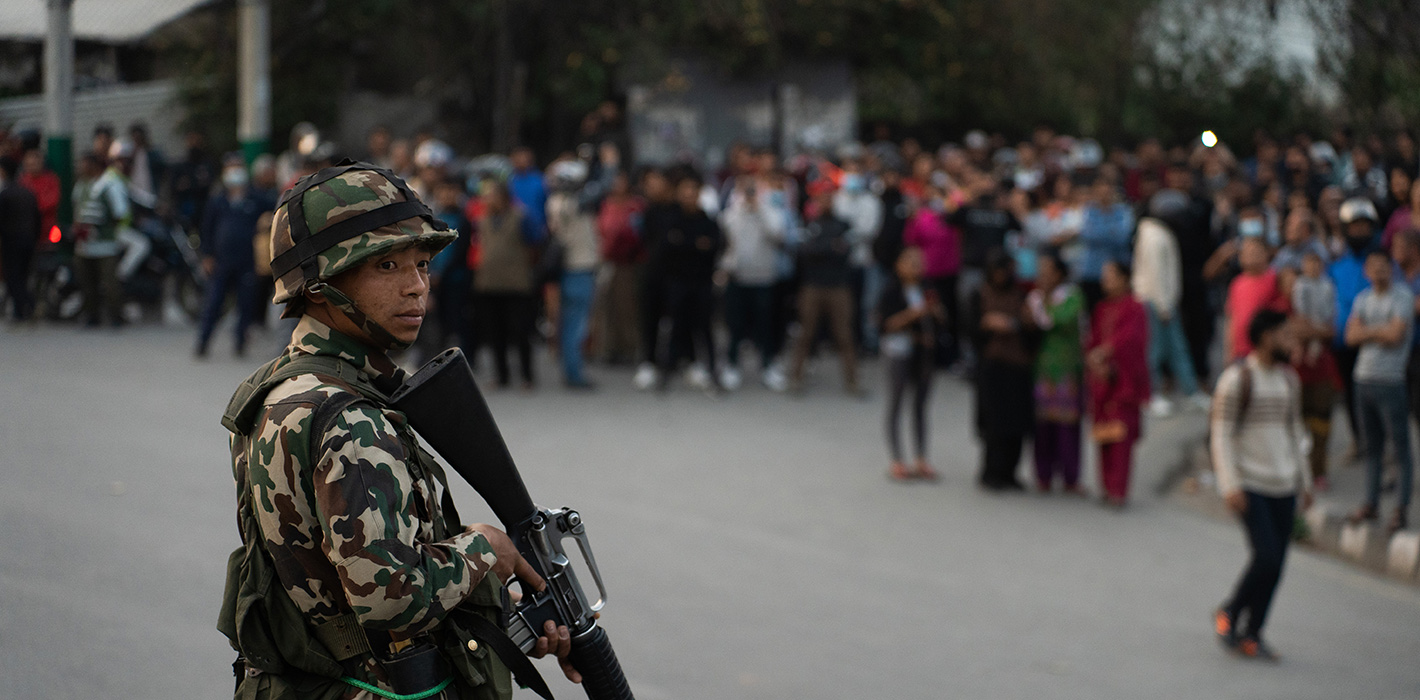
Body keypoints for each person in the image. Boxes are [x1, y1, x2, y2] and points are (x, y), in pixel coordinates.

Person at [221, 161, 578, 699]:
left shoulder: (281, 388)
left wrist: (501, 614)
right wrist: (487, 550)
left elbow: (332, 591)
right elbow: (390, 597)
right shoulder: (349, 417)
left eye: (422, 265)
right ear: (320, 285)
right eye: (386, 266)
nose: (416, 288)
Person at [1210, 309, 1313, 661]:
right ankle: (1230, 611)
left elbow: (1295, 430)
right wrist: (1230, 485)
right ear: (1266, 337)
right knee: (1266, 557)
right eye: (1285, 336)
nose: (1291, 343)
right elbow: (1221, 434)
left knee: (1278, 564)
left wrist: (1305, 480)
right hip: (1251, 484)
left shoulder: (1288, 380)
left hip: (1284, 484)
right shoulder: (1237, 380)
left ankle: (1253, 633)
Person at [1345, 248, 1415, 533]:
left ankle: (1400, 509)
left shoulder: (1404, 298)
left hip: (1391, 381)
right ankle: (1371, 503)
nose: (1378, 271)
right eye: (1373, 266)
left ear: (1392, 269)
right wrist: (1379, 331)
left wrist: (1367, 331)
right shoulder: (1363, 299)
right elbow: (1350, 336)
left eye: (1384, 266)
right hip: (1363, 380)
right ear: (1367, 271)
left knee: (1401, 450)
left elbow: (1396, 335)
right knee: (1372, 447)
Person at [196, 157, 275, 357]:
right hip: (222, 261)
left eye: (238, 169)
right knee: (213, 302)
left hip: (247, 261)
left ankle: (240, 342)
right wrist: (207, 255)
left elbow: (275, 211)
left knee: (246, 304)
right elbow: (207, 229)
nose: (234, 174)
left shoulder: (256, 199)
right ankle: (203, 342)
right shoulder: (218, 200)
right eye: (230, 169)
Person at [1087, 260, 1150, 507]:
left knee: (1121, 436)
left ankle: (1118, 489)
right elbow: (1092, 338)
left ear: (1125, 278)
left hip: (1123, 381)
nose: (1106, 280)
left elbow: (1132, 340)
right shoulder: (1102, 308)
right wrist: (1094, 359)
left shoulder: (1135, 308)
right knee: (1104, 433)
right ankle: (1105, 485)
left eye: (1111, 275)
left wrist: (1106, 352)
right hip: (1102, 379)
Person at [879, 247, 944, 481]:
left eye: (919, 263)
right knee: (896, 403)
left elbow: (941, 319)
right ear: (899, 265)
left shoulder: (927, 289)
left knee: (920, 406)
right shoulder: (891, 291)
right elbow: (885, 325)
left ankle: (920, 457)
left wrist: (935, 313)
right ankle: (897, 459)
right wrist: (913, 315)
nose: (916, 267)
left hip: (922, 354)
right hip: (898, 351)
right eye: (910, 262)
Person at [972, 250, 1035, 491]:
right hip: (992, 367)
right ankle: (991, 471)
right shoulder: (980, 294)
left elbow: (1031, 328)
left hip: (1017, 366)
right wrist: (987, 325)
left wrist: (1015, 324)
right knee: (993, 424)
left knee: (1016, 424)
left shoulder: (1021, 297)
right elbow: (973, 330)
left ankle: (1010, 472)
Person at [1133, 214, 1208, 417]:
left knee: (1176, 349)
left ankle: (1190, 391)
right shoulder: (1156, 237)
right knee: (1155, 350)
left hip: (1161, 302)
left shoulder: (1152, 233)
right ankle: (1151, 394)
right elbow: (1157, 274)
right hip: (1158, 302)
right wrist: (1163, 306)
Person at [789, 179, 859, 395]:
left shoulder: (843, 224)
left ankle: (852, 382)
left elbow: (845, 253)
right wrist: (829, 248)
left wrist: (822, 248)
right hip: (812, 286)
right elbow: (805, 252)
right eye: (822, 197)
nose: (826, 201)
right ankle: (795, 379)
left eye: (830, 197)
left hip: (838, 287)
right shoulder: (809, 224)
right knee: (805, 334)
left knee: (845, 335)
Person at [720, 172, 788, 391]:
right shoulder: (733, 212)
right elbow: (728, 236)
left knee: (765, 325)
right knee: (735, 325)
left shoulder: (772, 211)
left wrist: (759, 209)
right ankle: (732, 365)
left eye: (753, 189)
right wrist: (743, 208)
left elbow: (776, 234)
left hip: (764, 278)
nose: (749, 193)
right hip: (738, 278)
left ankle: (768, 366)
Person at [1027, 253, 1086, 493]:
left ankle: (1071, 478)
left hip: (1067, 372)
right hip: (1042, 372)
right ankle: (1043, 476)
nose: (1042, 276)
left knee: (1068, 429)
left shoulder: (1071, 297)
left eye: (1047, 270)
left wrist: (1038, 307)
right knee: (1042, 428)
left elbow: (1056, 320)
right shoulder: (1035, 298)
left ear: (1059, 274)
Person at [1330, 198, 1384, 458]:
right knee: (1351, 398)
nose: (1359, 232)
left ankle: (1384, 446)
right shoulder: (1336, 267)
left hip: (1376, 344)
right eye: (1354, 227)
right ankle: (1358, 440)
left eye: (1364, 226)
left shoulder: (1382, 264)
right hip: (1344, 344)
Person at [473, 179, 538, 389]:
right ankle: (502, 375)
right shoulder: (483, 219)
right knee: (495, 332)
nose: (488, 199)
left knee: (520, 332)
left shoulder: (521, 216)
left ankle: (527, 376)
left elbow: (535, 244)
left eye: (492, 195)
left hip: (516, 284)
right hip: (489, 283)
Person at [545, 159, 603, 389]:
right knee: (577, 324)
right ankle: (574, 373)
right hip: (579, 269)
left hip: (570, 270)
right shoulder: (571, 203)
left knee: (570, 321)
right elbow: (601, 187)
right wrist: (607, 164)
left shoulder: (555, 202)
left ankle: (571, 370)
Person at [1291, 251, 1341, 491]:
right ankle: (1298, 469)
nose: (1312, 267)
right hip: (1300, 367)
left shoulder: (1328, 287)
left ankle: (1318, 470)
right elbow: (1298, 325)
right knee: (1297, 421)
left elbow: (1331, 328)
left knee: (1321, 421)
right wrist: (1312, 332)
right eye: (1308, 263)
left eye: (1317, 263)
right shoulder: (1299, 287)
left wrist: (1315, 333)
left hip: (1322, 365)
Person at [72, 150, 130, 328]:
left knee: (110, 281)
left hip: (105, 244)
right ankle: (92, 315)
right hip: (84, 244)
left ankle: (116, 316)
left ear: (94, 165)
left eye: (84, 163)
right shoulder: (81, 185)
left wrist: (105, 229)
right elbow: (77, 209)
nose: (80, 167)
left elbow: (120, 213)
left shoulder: (110, 184)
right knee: (87, 281)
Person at [595, 170, 645, 366]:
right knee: (607, 306)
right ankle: (609, 348)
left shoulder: (636, 206)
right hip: (607, 261)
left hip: (628, 264)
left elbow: (638, 234)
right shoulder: (606, 205)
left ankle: (629, 347)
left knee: (627, 307)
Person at [1076, 178, 1136, 310]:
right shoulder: (1088, 212)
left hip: (1119, 275)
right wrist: (1111, 230)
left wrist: (1099, 230)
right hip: (1092, 273)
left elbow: (1123, 237)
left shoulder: (1124, 211)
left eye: (1107, 190)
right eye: (1100, 190)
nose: (1104, 194)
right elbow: (1087, 235)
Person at [1224, 237, 1282, 362]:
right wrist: (1229, 350)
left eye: (1256, 252)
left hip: (1264, 352)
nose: (1251, 256)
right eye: (1247, 253)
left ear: (1266, 254)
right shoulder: (1237, 283)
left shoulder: (1274, 279)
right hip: (1240, 351)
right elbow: (1232, 318)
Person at [0, 158, 41, 321]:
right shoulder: (27, 192)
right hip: (29, 240)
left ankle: (29, 304)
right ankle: (20, 311)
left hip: (11, 241)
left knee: (13, 277)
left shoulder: (5, 194)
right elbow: (37, 218)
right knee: (23, 276)